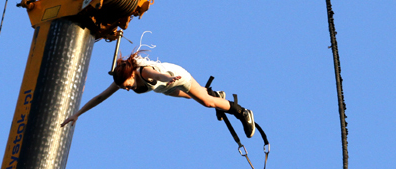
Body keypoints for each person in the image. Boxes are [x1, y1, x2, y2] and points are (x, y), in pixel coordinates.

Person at [61, 51, 255, 138]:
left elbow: (157, 74)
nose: (126, 89)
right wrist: (78, 113)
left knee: (206, 103)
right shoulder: (121, 81)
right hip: (165, 89)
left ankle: (242, 112)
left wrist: (167, 77)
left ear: (131, 74)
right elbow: (100, 97)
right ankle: (216, 95)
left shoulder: (143, 72)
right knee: (194, 97)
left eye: (127, 85)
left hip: (176, 78)